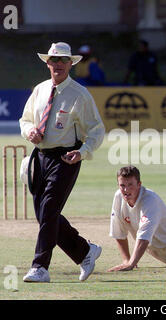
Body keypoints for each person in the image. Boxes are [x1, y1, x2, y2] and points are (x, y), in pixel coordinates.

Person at [19, 42, 105, 282]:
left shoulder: (80, 94)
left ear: (71, 64)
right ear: (48, 63)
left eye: (63, 60)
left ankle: (40, 267)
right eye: (54, 60)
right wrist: (30, 132)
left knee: (48, 210)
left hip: (66, 157)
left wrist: (83, 151)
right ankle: (85, 251)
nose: (58, 64)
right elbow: (24, 120)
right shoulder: (39, 89)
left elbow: (97, 130)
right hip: (40, 156)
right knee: (46, 214)